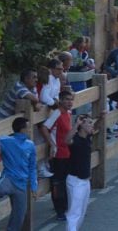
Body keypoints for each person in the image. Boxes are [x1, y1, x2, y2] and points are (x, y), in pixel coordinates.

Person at [40, 91, 75, 220]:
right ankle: (59, 210)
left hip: (67, 153)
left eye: (71, 99)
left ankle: (65, 206)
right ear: (60, 100)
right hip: (58, 154)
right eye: (66, 99)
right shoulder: (57, 113)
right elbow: (44, 127)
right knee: (58, 183)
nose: (69, 102)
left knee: (66, 181)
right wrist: (52, 144)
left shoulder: (69, 113)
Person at [0, 117, 38, 231]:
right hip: (8, 180)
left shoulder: (30, 145)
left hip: (22, 185)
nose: (30, 130)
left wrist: (34, 186)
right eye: (28, 127)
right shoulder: (5, 141)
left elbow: (32, 167)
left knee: (19, 216)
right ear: (22, 129)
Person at [65, 114, 94, 231]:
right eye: (89, 123)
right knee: (74, 213)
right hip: (75, 181)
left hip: (85, 180)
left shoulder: (87, 137)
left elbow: (96, 127)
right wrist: (76, 125)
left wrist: (101, 118)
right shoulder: (75, 139)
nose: (92, 125)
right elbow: (66, 140)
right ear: (81, 125)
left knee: (81, 213)